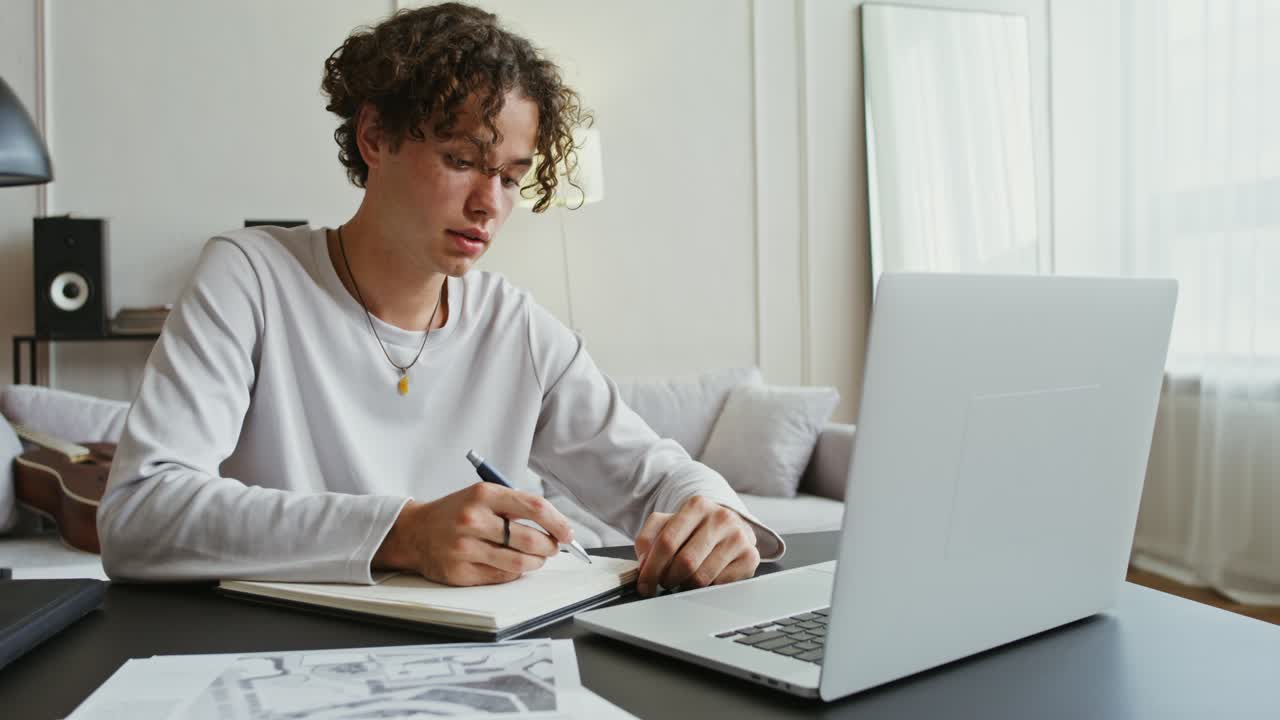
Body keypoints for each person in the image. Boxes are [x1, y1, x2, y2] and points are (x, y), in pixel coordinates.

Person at [98, 3, 782, 597]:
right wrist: (404, 533)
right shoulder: (250, 277)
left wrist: (711, 513)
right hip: (280, 657)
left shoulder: (517, 329)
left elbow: (654, 475)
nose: (489, 204)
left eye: (512, 178)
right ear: (375, 137)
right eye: (461, 161)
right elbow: (138, 514)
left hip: (484, 664)